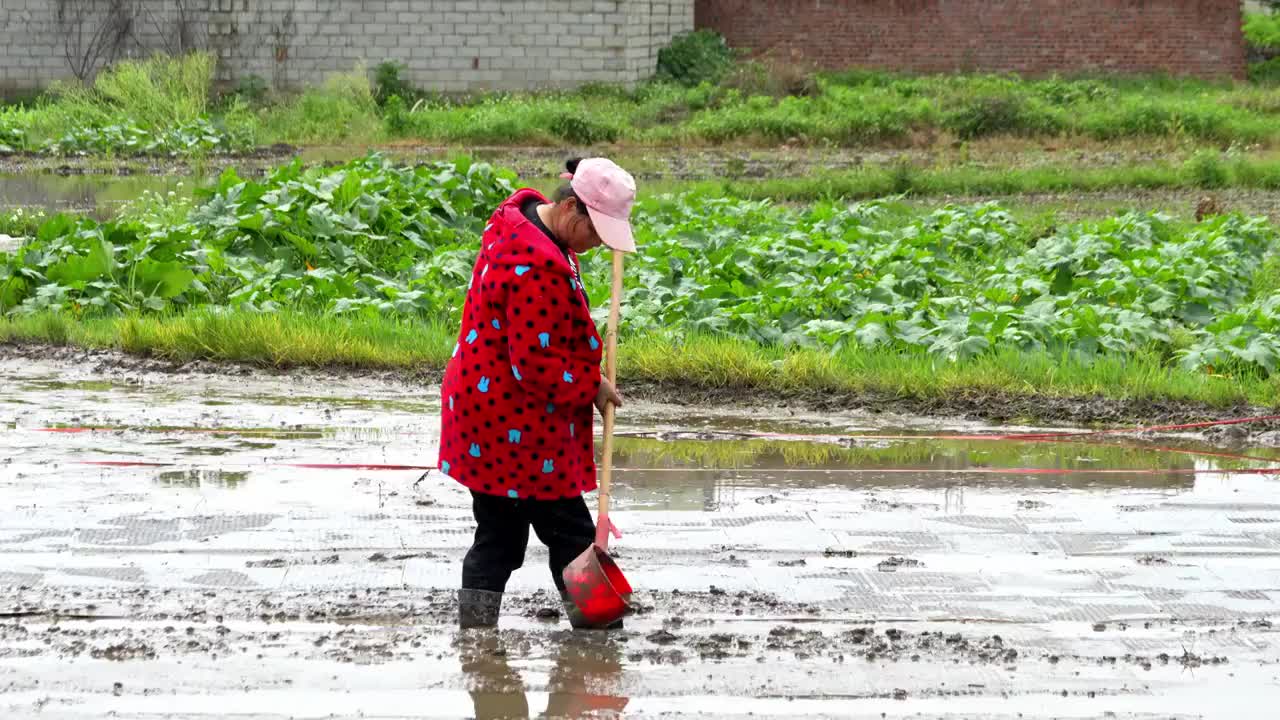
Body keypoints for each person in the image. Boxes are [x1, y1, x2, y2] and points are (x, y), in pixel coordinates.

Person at [439, 157, 637, 630]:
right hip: (511, 427)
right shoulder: (536, 267)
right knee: (564, 532)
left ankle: (478, 632)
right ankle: (597, 627)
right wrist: (591, 384)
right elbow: (535, 364)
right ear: (572, 210)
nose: (595, 247)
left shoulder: (523, 219)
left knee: (500, 534)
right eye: (596, 233)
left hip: (495, 411)